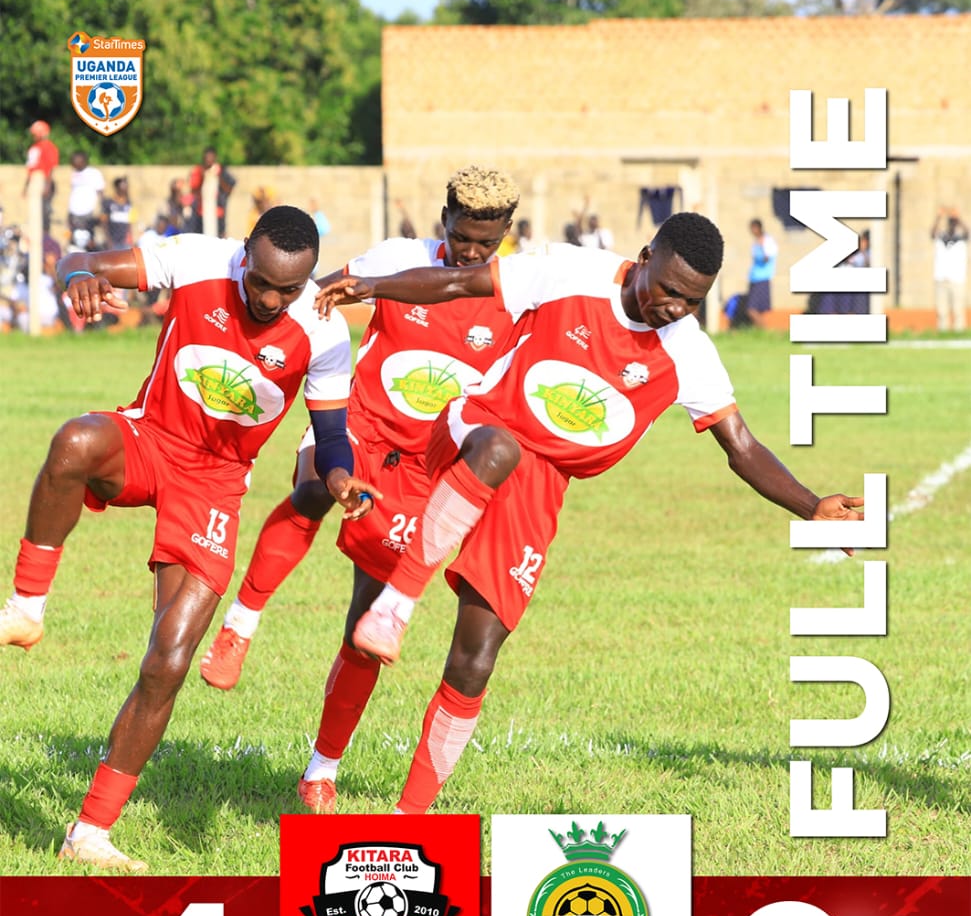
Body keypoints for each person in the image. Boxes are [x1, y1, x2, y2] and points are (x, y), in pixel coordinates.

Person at [317, 212, 865, 816]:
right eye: (670, 289)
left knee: (476, 656)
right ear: (645, 256)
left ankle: (409, 820)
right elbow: (458, 282)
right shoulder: (571, 272)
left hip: (540, 486)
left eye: (692, 301)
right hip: (477, 429)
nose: (675, 307)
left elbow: (742, 447)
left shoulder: (688, 352)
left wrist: (811, 506)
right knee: (498, 454)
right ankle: (396, 605)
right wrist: (372, 287)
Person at [0, 206, 371, 870]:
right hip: (148, 440)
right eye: (260, 282)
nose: (270, 300)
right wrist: (78, 278)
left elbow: (333, 434)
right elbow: (79, 261)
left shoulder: (324, 329)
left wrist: (340, 477)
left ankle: (89, 833)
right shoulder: (199, 258)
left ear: (309, 279)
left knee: (168, 660)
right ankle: (27, 607)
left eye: (288, 289)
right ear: (244, 256)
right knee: (74, 440)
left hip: (216, 485)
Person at [200, 166, 521, 815]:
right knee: (317, 484)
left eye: (485, 244)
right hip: (355, 430)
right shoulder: (397, 259)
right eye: (461, 236)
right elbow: (313, 299)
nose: (470, 252)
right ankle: (238, 626)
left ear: (505, 235)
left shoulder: (519, 293)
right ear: (444, 219)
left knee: (364, 629)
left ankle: (321, 771)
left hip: (422, 473)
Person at [931, 207, 968, 331]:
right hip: (941, 278)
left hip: (957, 279)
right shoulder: (941, 236)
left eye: (954, 222)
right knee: (941, 310)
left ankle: (959, 331)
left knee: (958, 309)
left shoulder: (961, 237)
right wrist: (938, 217)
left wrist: (958, 218)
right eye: (951, 221)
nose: (952, 224)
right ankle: (943, 332)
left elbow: (967, 232)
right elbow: (932, 233)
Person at [187, 147, 236, 236]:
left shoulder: (221, 170)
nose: (209, 160)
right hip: (200, 213)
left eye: (211, 157)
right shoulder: (198, 171)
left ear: (215, 158)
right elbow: (193, 191)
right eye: (207, 158)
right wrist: (202, 177)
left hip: (218, 213)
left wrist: (218, 176)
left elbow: (229, 190)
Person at [23, 121, 59, 233]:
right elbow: (31, 168)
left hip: (43, 180)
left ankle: (45, 236)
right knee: (34, 212)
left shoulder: (48, 147)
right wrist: (26, 186)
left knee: (44, 211)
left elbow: (50, 167)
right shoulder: (34, 147)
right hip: (34, 180)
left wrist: (47, 185)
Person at [67, 150, 105, 246]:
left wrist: (101, 209)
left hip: (88, 213)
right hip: (74, 213)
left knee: (89, 240)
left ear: (83, 160)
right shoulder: (74, 174)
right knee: (74, 240)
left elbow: (100, 192)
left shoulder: (93, 173)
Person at [747, 218, 777, 325]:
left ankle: (765, 330)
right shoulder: (756, 242)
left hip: (762, 279)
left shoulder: (767, 240)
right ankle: (759, 331)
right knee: (756, 310)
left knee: (752, 310)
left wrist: (762, 246)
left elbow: (767, 258)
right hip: (754, 278)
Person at [102, 176, 135, 251]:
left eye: (126, 187)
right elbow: (104, 223)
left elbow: (130, 224)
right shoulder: (109, 203)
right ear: (117, 187)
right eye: (122, 186)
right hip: (113, 242)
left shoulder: (129, 204)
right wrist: (108, 240)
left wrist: (131, 240)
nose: (124, 189)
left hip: (125, 242)